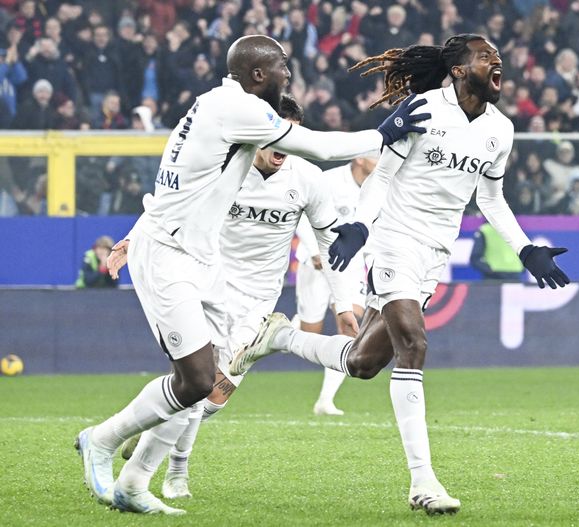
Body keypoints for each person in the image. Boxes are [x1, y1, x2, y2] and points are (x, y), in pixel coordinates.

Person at [75, 34, 430, 516]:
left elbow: (176, 183)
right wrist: (385, 132)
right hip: (172, 256)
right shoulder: (237, 108)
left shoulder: (221, 111)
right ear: (259, 74)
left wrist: (342, 302)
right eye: (283, 67)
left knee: (200, 390)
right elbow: (319, 145)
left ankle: (135, 481)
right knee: (197, 381)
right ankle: (102, 441)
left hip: (212, 271)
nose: (288, 74)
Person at [228, 34, 570, 515]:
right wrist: (359, 228)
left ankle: (278, 337)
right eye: (486, 56)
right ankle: (423, 482)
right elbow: (382, 177)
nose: (498, 61)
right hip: (395, 238)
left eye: (499, 56)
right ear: (457, 69)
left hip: (435, 252)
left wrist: (526, 248)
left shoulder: (500, 129)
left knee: (364, 363)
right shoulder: (424, 109)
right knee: (414, 342)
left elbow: (489, 198)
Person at [110, 95, 361, 500]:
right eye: (277, 137)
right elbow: (169, 205)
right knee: (197, 382)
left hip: (259, 299)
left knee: (213, 398)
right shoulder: (226, 165)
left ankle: (145, 431)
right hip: (209, 283)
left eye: (292, 138)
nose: (283, 147)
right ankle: (176, 474)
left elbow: (329, 240)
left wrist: (343, 304)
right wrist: (130, 240)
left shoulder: (309, 179)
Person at [294, 156, 377, 416]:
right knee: (311, 331)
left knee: (350, 325)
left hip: (351, 266)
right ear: (360, 158)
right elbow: (299, 216)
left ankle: (325, 401)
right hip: (317, 262)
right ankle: (279, 330)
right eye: (376, 153)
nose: (382, 158)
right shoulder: (328, 181)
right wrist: (313, 249)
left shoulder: (380, 185)